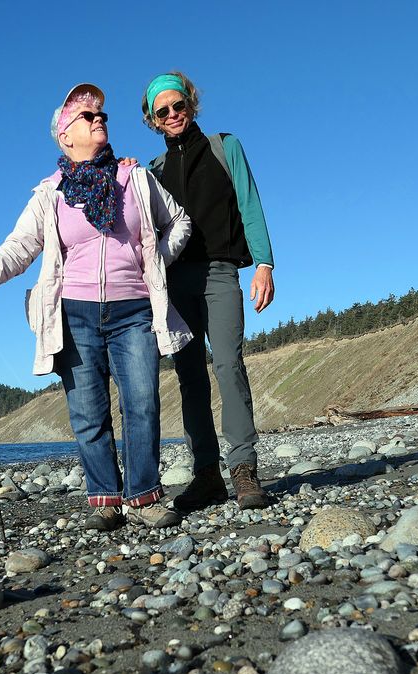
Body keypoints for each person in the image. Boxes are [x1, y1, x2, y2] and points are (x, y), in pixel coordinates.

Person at [0, 83, 192, 531]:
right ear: (65, 136)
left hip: (134, 308)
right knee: (87, 411)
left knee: (142, 402)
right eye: (87, 116)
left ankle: (143, 496)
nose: (98, 119)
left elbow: (179, 220)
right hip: (73, 312)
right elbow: (21, 245)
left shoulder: (134, 177)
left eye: (101, 114)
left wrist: (157, 257)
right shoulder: (51, 193)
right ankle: (104, 498)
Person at [140, 71, 276, 511]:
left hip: (221, 273)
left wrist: (264, 263)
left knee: (229, 364)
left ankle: (244, 470)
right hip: (175, 283)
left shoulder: (224, 146)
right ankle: (206, 475)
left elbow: (250, 204)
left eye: (178, 105)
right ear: (153, 120)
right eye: (163, 111)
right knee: (189, 379)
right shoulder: (153, 171)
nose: (173, 114)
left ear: (191, 104)